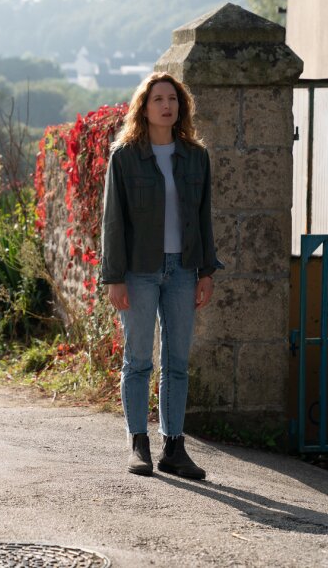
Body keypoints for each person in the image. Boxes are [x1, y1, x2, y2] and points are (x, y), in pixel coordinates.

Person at [100, 71, 218, 480]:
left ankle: (174, 447)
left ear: (181, 107)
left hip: (183, 269)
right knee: (137, 361)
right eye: (158, 99)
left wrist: (206, 271)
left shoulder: (196, 156)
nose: (167, 106)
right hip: (138, 271)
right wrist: (114, 277)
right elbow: (113, 221)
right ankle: (138, 443)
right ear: (144, 108)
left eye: (173, 99)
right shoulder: (125, 157)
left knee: (177, 362)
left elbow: (203, 218)